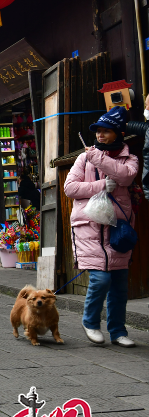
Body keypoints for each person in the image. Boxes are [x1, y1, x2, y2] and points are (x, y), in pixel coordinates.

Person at [64, 107, 138, 348]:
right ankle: (90, 322)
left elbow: (125, 177)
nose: (100, 136)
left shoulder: (130, 158)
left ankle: (118, 331)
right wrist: (99, 186)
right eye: (98, 131)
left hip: (118, 230)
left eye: (106, 131)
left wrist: (99, 159)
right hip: (90, 229)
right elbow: (70, 188)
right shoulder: (84, 157)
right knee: (100, 279)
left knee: (119, 284)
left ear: (118, 133)